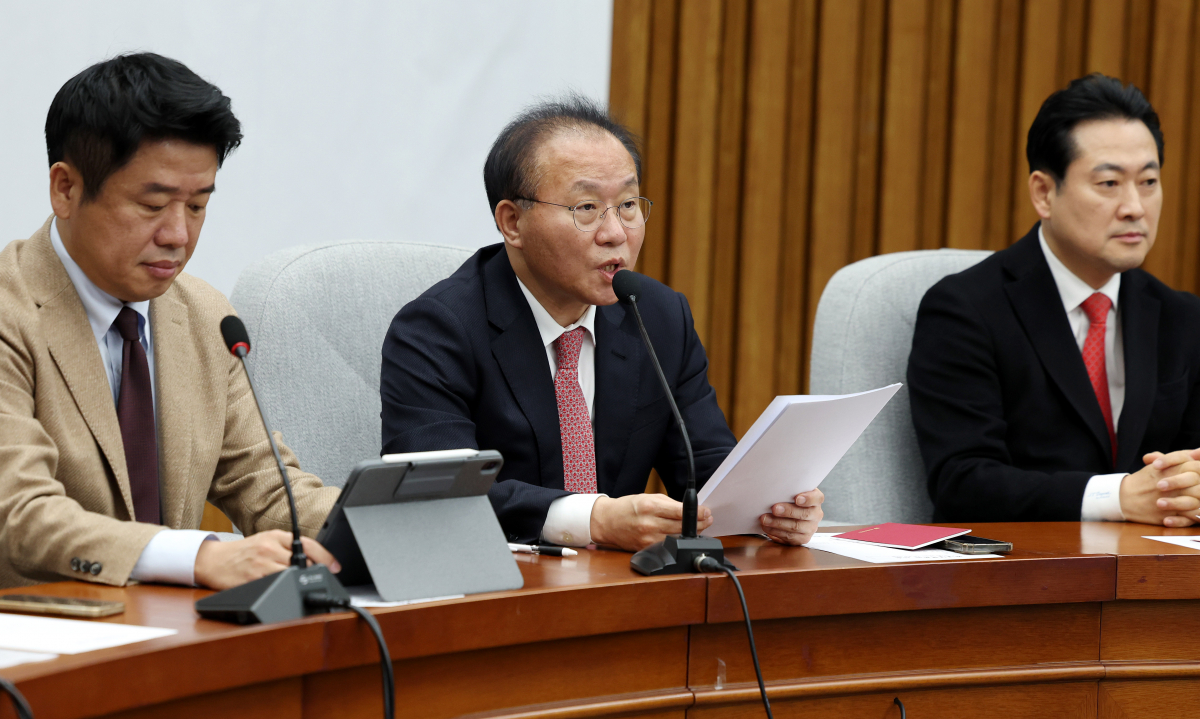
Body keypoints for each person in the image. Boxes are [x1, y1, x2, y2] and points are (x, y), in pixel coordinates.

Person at [381, 96, 823, 550]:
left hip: (624, 589)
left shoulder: (657, 314)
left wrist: (770, 509)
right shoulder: (438, 329)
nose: (615, 232)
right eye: (587, 208)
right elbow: (437, 494)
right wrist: (591, 519)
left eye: (628, 204)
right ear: (512, 222)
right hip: (499, 590)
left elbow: (705, 467)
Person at [0, 53, 341, 590]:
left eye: (198, 205)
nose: (178, 235)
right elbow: (19, 512)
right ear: (66, 189)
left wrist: (386, 523)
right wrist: (201, 556)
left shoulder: (206, 316)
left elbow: (269, 491)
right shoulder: (9, 310)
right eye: (153, 203)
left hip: (169, 637)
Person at [908, 74, 1200, 526]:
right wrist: (1117, 496)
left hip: (1155, 575)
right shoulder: (966, 310)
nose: (1135, 207)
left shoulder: (1183, 318)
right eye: (1108, 184)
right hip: (1020, 573)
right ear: (1044, 192)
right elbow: (962, 481)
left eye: (1148, 181)